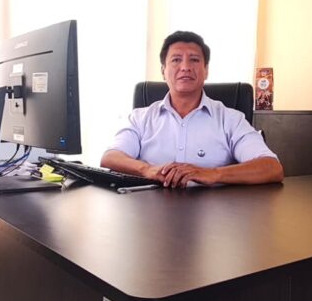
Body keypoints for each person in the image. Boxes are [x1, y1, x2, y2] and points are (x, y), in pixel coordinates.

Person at [101, 31, 284, 188]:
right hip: (148, 212)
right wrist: (147, 170)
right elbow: (111, 157)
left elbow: (272, 167)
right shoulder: (140, 118)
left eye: (194, 60)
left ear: (206, 70)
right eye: (176, 60)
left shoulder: (230, 119)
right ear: (163, 70)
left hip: (215, 215)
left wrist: (213, 173)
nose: (185, 67)